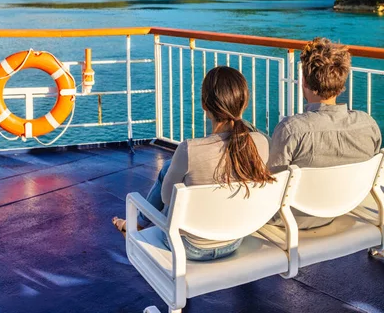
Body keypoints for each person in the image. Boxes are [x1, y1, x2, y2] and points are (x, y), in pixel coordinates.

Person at [113, 65, 273, 260]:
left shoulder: (190, 149)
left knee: (168, 169)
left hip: (190, 247)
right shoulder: (261, 143)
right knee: (171, 168)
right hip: (234, 239)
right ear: (244, 103)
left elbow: (166, 198)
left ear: (204, 106)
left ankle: (136, 224)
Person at [268, 37, 382, 229]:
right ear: (342, 83)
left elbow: (272, 183)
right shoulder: (367, 125)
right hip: (348, 206)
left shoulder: (291, 130)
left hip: (293, 220)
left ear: (303, 81)